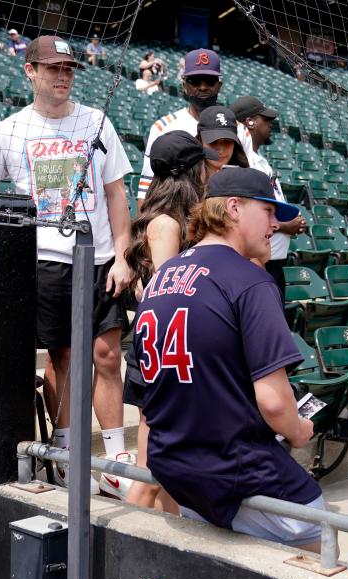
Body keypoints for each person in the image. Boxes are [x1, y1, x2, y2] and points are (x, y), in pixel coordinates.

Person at [0, 36, 134, 496]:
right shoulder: (11, 130)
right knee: (64, 357)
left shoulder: (97, 122)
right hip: (46, 259)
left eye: (68, 68)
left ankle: (116, 456)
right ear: (30, 72)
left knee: (108, 355)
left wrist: (125, 256)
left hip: (100, 256)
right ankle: (67, 453)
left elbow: (116, 196)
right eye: (53, 69)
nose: (63, 76)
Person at [132, 167, 324, 551]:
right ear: (233, 208)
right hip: (234, 465)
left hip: (173, 464)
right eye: (268, 212)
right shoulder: (249, 280)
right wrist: (299, 431)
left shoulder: (162, 276)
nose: (275, 224)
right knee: (324, 533)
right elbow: (272, 401)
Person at [123, 131, 215, 512]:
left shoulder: (177, 219)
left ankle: (172, 538)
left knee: (170, 471)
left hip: (170, 349)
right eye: (201, 163)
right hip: (161, 353)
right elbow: (166, 296)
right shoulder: (165, 224)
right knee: (150, 473)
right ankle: (116, 544)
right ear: (188, 171)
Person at [230, 95, 307, 290]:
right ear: (249, 122)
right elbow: (242, 217)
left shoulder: (261, 160)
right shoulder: (243, 162)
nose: (270, 123)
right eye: (265, 119)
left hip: (273, 263)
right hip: (255, 264)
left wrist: (291, 224)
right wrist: (284, 226)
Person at [136, 48, 222, 209]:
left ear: (219, 86)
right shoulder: (163, 127)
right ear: (184, 86)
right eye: (195, 81)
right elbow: (146, 189)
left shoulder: (238, 129)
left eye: (209, 81)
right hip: (175, 217)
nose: (203, 87)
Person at [197, 105, 248, 171]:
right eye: (213, 142)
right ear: (200, 141)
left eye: (227, 142)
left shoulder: (245, 178)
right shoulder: (184, 178)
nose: (221, 150)